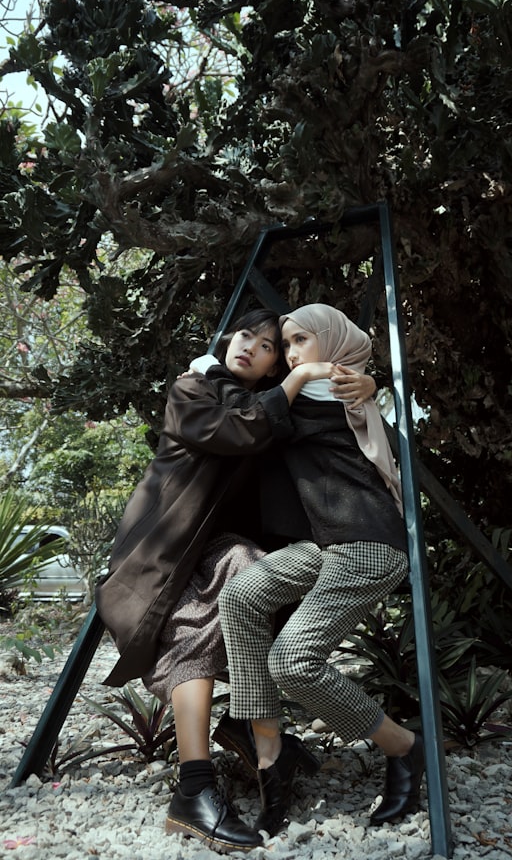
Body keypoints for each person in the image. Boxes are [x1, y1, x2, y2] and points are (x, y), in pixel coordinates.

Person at [95, 307, 374, 854]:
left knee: (250, 575)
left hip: (221, 548)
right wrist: (295, 378)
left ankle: (242, 738)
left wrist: (365, 384)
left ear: (271, 366)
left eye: (267, 346)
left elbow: (329, 422)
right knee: (187, 627)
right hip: (164, 550)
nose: (249, 346)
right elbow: (235, 431)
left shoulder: (276, 409)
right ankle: (198, 784)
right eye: (246, 334)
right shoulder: (195, 388)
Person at [218, 303, 425, 838]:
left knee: (292, 661)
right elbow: (252, 413)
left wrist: (326, 374)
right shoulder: (310, 386)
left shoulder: (337, 389)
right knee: (241, 598)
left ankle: (404, 747)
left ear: (332, 343)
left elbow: (264, 413)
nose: (289, 355)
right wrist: (304, 371)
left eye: (300, 342)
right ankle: (271, 755)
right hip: (323, 544)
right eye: (284, 346)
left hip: (368, 544)